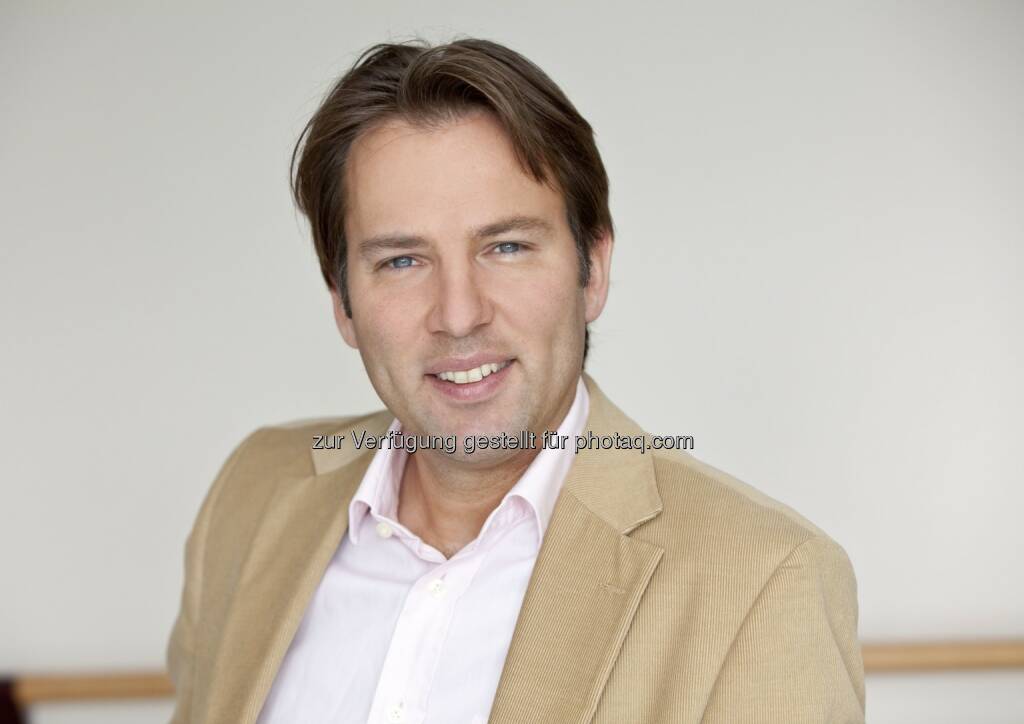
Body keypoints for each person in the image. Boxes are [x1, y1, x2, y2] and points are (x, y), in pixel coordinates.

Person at [166, 38, 865, 724]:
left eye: (506, 247)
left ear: (592, 270)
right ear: (342, 301)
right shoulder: (252, 492)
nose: (459, 314)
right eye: (403, 261)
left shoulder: (766, 582)